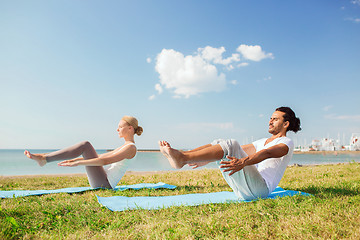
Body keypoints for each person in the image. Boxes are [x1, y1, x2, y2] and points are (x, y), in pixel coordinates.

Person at [159, 107, 301, 200]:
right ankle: (183, 154)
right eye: (270, 118)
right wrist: (207, 159)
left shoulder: (286, 142)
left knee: (231, 143)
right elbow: (235, 149)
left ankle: (182, 158)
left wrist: (243, 162)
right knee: (220, 142)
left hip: (260, 190)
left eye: (275, 119)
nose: (270, 121)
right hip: (243, 190)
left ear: (286, 124)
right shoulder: (263, 141)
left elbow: (268, 153)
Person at [24, 116, 143, 189]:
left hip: (105, 184)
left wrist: (78, 164)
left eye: (120, 127)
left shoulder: (130, 148)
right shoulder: (125, 146)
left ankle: (44, 159)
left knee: (85, 145)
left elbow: (104, 161)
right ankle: (44, 158)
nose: (117, 129)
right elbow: (100, 156)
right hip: (103, 180)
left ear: (130, 128)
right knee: (85, 146)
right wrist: (75, 160)